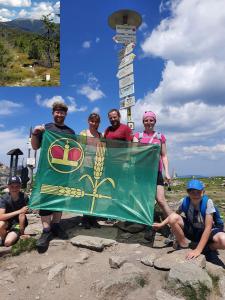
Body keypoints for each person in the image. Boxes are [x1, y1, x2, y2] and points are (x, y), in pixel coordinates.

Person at [31, 101, 75, 251]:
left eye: (62, 112)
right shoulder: (46, 128)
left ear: (65, 114)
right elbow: (35, 146)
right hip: (47, 171)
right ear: (53, 113)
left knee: (59, 199)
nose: (59, 114)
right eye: (57, 112)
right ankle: (46, 231)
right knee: (46, 199)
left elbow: (75, 152)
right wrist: (35, 133)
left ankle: (56, 225)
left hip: (63, 173)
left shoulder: (70, 132)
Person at [153, 179, 225, 259]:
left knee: (223, 240)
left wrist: (198, 250)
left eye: (198, 191)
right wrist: (161, 224)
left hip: (209, 232)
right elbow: (173, 216)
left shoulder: (208, 202)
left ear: (203, 192)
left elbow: (208, 227)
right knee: (173, 218)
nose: (195, 194)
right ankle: (183, 245)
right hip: (193, 230)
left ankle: (207, 248)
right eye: (192, 191)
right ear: (188, 192)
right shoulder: (184, 201)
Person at [133, 111, 171, 217]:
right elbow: (135, 153)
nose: (148, 122)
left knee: (161, 199)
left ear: (155, 121)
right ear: (143, 122)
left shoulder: (160, 137)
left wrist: (166, 172)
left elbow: (164, 155)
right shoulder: (137, 136)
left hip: (156, 172)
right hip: (141, 172)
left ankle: (172, 222)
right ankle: (143, 222)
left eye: (151, 120)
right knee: (142, 198)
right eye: (146, 120)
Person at [80, 112, 102, 229]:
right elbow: (79, 150)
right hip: (86, 166)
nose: (94, 123)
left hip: (98, 166)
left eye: (96, 121)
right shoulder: (83, 133)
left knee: (96, 193)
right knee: (87, 193)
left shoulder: (101, 135)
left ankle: (93, 218)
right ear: (88, 121)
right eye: (92, 121)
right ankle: (85, 218)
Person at [0, 176, 29, 247]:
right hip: (7, 223)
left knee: (8, 243)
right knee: (0, 224)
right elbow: (1, 217)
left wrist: (22, 233)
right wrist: (19, 211)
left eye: (17, 186)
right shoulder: (3, 198)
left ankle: (11, 236)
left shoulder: (24, 197)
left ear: (20, 186)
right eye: (12, 186)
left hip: (17, 224)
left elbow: (22, 215)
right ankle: (3, 237)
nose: (14, 188)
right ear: (8, 186)